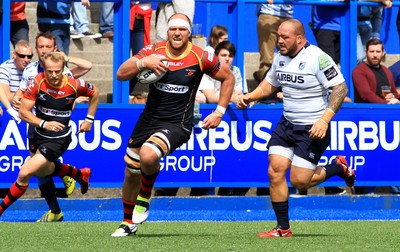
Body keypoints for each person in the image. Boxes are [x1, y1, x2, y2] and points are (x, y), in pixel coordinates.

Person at [110, 13, 234, 237]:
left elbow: (228, 78)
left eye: (182, 29)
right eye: (173, 29)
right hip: (148, 120)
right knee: (131, 172)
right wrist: (143, 62)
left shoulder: (200, 56)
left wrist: (220, 112)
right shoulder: (152, 51)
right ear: (167, 31)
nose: (177, 33)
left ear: (189, 33)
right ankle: (128, 222)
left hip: (178, 122)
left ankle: (145, 196)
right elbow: (120, 74)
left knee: (148, 155)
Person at [237, 19, 355, 238]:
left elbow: (340, 88)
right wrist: (251, 96)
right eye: (278, 36)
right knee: (275, 170)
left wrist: (324, 120)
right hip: (287, 124)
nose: (279, 41)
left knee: (300, 181)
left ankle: (338, 167)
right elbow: (270, 83)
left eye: (285, 37)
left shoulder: (317, 58)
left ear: (299, 39)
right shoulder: (280, 57)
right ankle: (283, 228)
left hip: (313, 128)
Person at [0, 52, 99, 219]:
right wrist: (44, 124)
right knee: (42, 172)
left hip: (58, 138)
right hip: (38, 133)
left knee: (25, 173)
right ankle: (78, 175)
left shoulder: (74, 84)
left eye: (57, 71)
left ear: (63, 70)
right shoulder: (37, 83)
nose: (54, 75)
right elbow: (23, 113)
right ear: (44, 69)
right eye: (50, 71)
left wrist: (89, 119)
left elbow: (94, 92)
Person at [253, 2, 293, 84]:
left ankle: (262, 77)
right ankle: (264, 88)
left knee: (291, 57)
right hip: (268, 14)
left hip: (287, 16)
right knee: (267, 60)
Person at [353, 38, 399, 104]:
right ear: (366, 53)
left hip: (386, 110)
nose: (375, 55)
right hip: (367, 111)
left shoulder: (387, 71)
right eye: (372, 52)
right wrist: (386, 103)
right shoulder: (359, 71)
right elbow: (366, 95)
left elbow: (394, 92)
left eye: (378, 52)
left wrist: (393, 96)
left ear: (383, 53)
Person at [128, 2, 152, 103]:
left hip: (142, 17)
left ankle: (135, 93)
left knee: (140, 58)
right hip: (124, 13)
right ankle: (130, 94)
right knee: (122, 59)